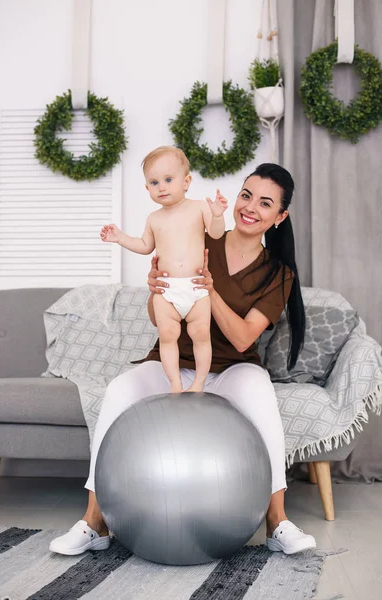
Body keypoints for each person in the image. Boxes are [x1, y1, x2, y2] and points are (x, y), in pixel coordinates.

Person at [49, 163, 316, 557]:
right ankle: (95, 522)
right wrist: (156, 290)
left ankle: (277, 522)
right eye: (246, 195)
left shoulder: (277, 274)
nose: (250, 208)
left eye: (265, 203)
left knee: (261, 391)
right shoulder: (201, 236)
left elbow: (244, 337)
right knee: (119, 389)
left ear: (280, 217)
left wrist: (209, 292)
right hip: (173, 362)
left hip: (231, 368)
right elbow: (160, 317)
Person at [100, 146, 228, 393]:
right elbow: (145, 246)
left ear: (186, 181)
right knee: (168, 337)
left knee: (201, 334)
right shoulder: (154, 219)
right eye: (154, 182)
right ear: (147, 188)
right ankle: (176, 383)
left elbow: (216, 233)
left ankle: (199, 382)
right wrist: (120, 238)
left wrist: (217, 215)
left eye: (169, 179)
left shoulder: (199, 207)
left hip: (196, 286)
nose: (162, 187)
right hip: (166, 290)